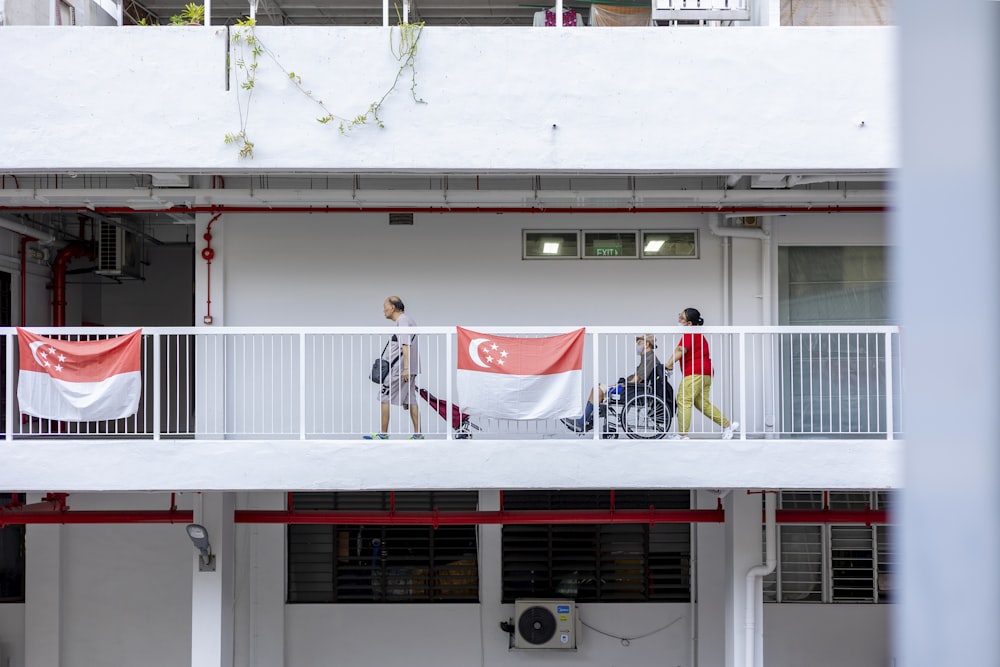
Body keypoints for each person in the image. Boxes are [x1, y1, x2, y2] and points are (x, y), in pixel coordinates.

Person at [561, 334, 661, 432]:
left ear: (647, 344)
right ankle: (584, 422)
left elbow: (637, 379)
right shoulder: (648, 358)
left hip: (633, 390)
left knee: (597, 390)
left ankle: (582, 423)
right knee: (598, 388)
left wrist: (623, 384)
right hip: (633, 388)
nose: (637, 346)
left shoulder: (649, 359)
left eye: (639, 343)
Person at [664, 307, 739, 440]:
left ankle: (682, 435)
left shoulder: (690, 333)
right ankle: (728, 425)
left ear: (689, 324)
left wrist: (668, 364)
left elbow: (681, 351)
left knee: (683, 399)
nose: (678, 320)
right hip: (707, 373)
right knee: (702, 403)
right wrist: (669, 363)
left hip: (695, 372)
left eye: (681, 318)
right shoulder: (698, 335)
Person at [365, 296, 422, 440]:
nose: (383, 310)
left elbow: (405, 344)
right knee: (411, 399)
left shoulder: (402, 321)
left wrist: (406, 368)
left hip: (399, 368)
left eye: (385, 306)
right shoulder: (409, 320)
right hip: (409, 367)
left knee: (384, 397)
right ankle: (418, 433)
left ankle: (383, 434)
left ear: (393, 307)